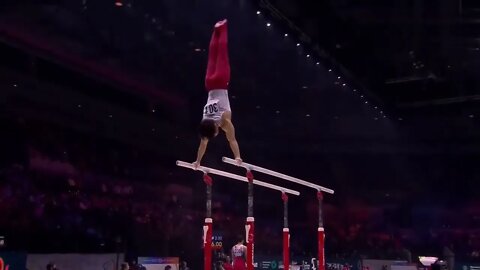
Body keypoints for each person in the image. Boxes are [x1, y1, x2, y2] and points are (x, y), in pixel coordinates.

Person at [193, 19, 242, 168]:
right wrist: (198, 161)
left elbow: (232, 140)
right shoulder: (204, 122)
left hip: (221, 81)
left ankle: (224, 27)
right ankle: (216, 30)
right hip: (209, 83)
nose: (215, 135)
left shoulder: (224, 122)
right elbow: (203, 144)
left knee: (222, 53)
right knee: (213, 55)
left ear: (215, 129)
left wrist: (238, 157)